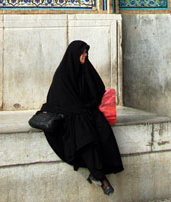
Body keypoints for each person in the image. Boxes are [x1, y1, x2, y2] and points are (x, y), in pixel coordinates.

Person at [42, 40, 123, 196]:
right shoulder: (63, 74)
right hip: (70, 114)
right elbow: (59, 99)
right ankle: (100, 177)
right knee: (84, 133)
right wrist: (79, 109)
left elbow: (98, 88)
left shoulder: (85, 69)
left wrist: (89, 104)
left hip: (86, 110)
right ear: (75, 54)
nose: (85, 55)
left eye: (86, 53)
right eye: (83, 53)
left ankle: (99, 173)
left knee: (101, 128)